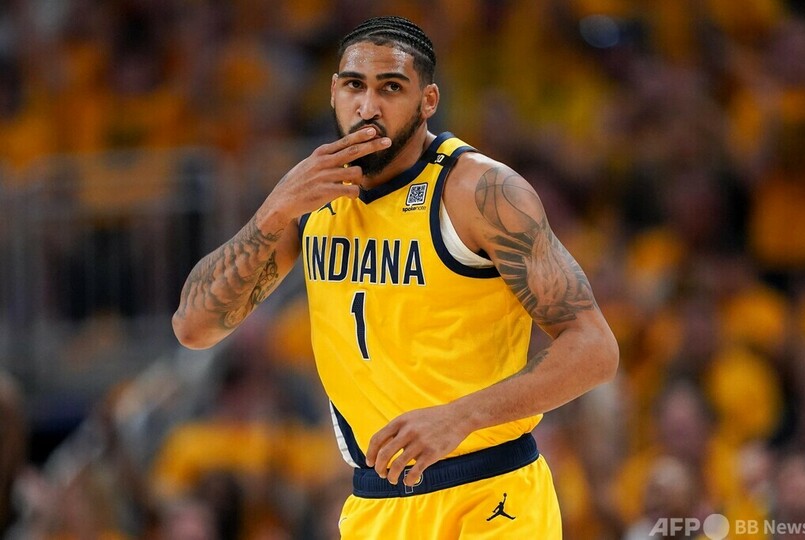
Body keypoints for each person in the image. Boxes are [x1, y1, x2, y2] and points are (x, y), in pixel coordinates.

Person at [173, 15, 619, 539]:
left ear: (428, 101)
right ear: (333, 93)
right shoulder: (309, 199)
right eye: (354, 86)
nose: (368, 106)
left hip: (490, 492)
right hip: (376, 504)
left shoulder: (481, 191)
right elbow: (193, 328)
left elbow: (595, 348)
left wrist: (460, 417)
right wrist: (272, 213)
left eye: (390, 88)